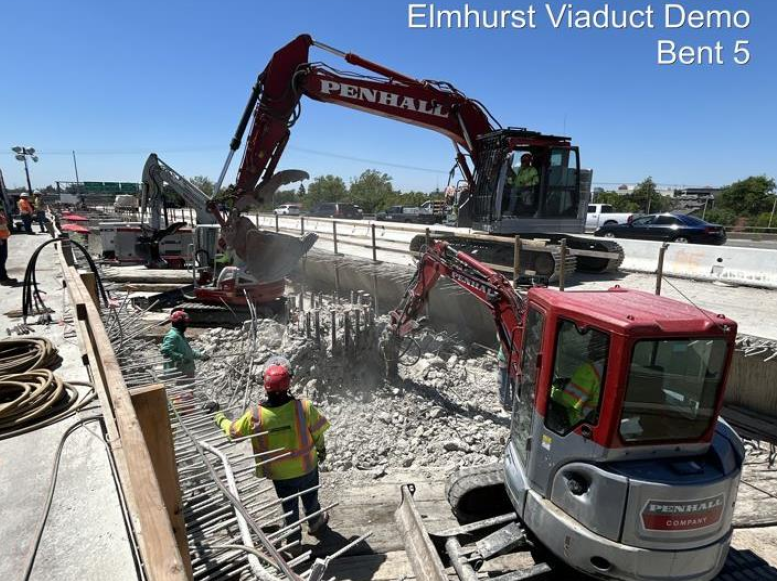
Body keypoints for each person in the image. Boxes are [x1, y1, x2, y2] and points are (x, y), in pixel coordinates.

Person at [208, 362, 331, 545]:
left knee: (288, 506)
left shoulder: (256, 415)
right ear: (288, 385)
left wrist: (218, 417)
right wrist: (321, 450)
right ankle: (315, 523)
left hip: (280, 474)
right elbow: (318, 432)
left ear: (266, 387)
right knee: (310, 496)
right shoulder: (303, 408)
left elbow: (233, 433)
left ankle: (293, 540)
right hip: (307, 467)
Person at [550, 336, 607, 428]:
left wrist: (551, 390)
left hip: (578, 423)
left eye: (592, 341)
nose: (588, 346)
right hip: (600, 422)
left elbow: (567, 401)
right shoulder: (613, 369)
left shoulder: (590, 370)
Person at [160, 310, 209, 378]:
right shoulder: (173, 336)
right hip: (178, 375)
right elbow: (165, 351)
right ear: (179, 323)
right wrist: (181, 358)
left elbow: (188, 352)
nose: (186, 325)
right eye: (185, 323)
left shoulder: (180, 335)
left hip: (185, 372)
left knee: (191, 388)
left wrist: (201, 356)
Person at [0, 209, 19, 286]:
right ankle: (3, 279)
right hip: (0, 240)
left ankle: (3, 278)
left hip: (3, 238)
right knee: (1, 260)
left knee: (2, 259)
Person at [496, 343, 512, 411]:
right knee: (504, 381)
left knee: (505, 381)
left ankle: (507, 403)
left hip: (510, 358)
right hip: (506, 359)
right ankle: (506, 403)